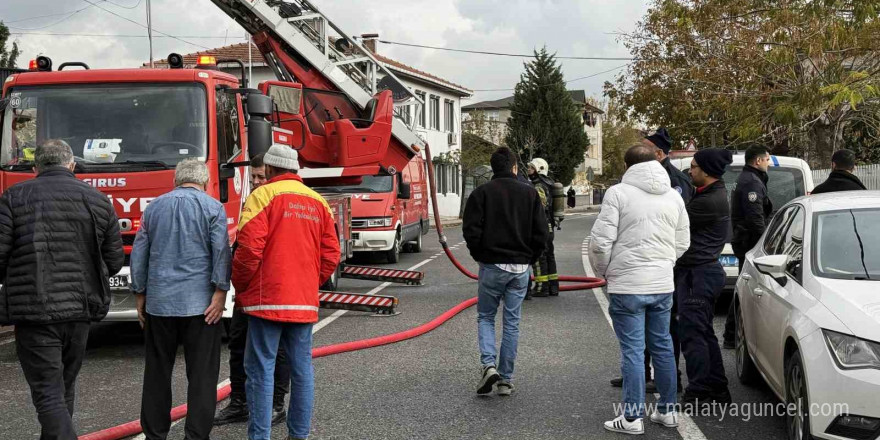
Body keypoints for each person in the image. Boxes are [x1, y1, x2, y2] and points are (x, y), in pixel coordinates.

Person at [0, 140, 124, 440]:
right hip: (81, 309)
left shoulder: (14, 198)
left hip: (34, 310)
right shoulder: (97, 200)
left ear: (35, 168)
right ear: (72, 165)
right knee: (63, 388)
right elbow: (115, 260)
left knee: (47, 392)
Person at [232, 145, 340, 440]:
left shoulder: (262, 196)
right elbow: (331, 254)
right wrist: (306, 282)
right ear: (294, 169)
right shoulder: (317, 201)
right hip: (303, 301)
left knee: (260, 369)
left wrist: (241, 287)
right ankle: (299, 435)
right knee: (301, 369)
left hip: (267, 300)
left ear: (268, 168)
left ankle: (260, 436)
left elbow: (248, 249)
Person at [589, 144, 689, 435]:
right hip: (662, 284)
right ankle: (668, 412)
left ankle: (632, 418)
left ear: (627, 166)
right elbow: (682, 241)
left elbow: (600, 242)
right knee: (663, 346)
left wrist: (604, 271)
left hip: (628, 285)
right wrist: (665, 263)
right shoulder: (673, 196)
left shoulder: (618, 193)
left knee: (633, 350)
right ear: (656, 162)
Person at [132, 158, 232, 440]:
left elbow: (140, 253)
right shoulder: (213, 207)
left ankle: (155, 434)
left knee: (157, 373)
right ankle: (196, 435)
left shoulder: (154, 209)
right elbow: (220, 252)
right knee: (202, 375)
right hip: (201, 306)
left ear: (175, 181)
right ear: (204, 182)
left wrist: (140, 293)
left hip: (160, 303)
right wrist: (220, 291)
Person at [610, 127, 695, 391]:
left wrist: (666, 260)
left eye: (646, 148)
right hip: (657, 270)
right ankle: (640, 376)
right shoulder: (640, 182)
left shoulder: (676, 182)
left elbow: (681, 233)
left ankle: (667, 382)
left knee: (663, 336)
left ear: (658, 153)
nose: (642, 152)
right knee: (646, 339)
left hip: (663, 271)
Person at [463, 147, 548, 397]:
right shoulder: (530, 194)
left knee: (486, 317)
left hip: (492, 265)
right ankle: (506, 379)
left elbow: (470, 230)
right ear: (514, 168)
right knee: (512, 322)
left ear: (493, 168)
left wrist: (480, 255)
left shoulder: (481, 193)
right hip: (521, 267)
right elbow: (541, 234)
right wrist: (530, 258)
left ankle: (489, 365)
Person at [215, 153, 290, 427]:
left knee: (278, 349)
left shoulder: (278, 202)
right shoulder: (251, 201)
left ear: (272, 174)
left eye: (262, 176)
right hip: (248, 291)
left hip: (271, 291)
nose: (257, 181)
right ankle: (239, 402)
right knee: (238, 343)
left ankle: (275, 404)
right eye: (254, 177)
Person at [676, 148, 734, 406]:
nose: (690, 171)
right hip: (700, 272)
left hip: (697, 275)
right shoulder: (708, 194)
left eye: (694, 167)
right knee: (703, 333)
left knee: (693, 336)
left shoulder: (709, 202)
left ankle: (699, 392)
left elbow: (671, 223)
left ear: (708, 171)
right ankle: (718, 389)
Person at [722, 145, 772, 348]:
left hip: (746, 241)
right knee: (744, 289)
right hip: (750, 243)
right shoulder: (751, 182)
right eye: (767, 159)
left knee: (746, 288)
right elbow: (755, 219)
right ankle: (731, 333)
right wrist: (765, 245)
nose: (768, 163)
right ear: (758, 161)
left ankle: (733, 333)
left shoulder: (751, 178)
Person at [527, 158, 559, 298]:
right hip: (549, 225)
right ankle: (553, 286)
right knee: (549, 255)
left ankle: (541, 287)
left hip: (542, 225)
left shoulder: (538, 186)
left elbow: (540, 206)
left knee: (539, 256)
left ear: (538, 169)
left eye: (531, 168)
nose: (528, 170)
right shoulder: (549, 184)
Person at [643, 127, 694, 203]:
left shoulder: (676, 179)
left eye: (644, 150)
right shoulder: (645, 173)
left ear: (659, 154)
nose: (639, 152)